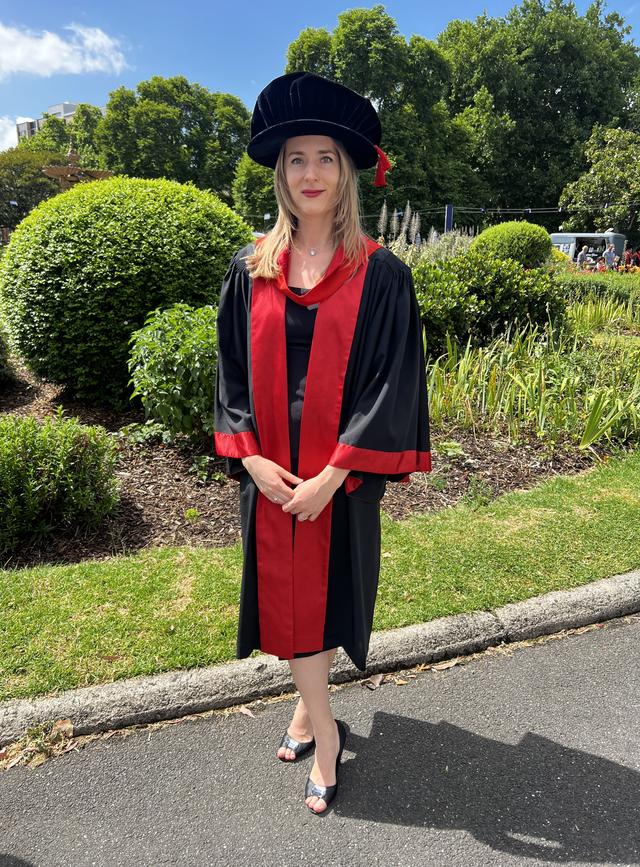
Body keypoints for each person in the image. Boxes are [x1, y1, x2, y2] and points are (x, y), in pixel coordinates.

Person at [213, 72, 431, 815]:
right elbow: (231, 373)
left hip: (340, 472)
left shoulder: (381, 275)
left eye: (326, 158)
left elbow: (389, 383)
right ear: (281, 174)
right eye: (297, 159)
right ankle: (319, 711)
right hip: (271, 466)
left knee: (329, 596)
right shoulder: (250, 269)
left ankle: (321, 724)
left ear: (346, 174)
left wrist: (334, 474)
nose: (311, 173)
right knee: (293, 603)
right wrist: (250, 459)